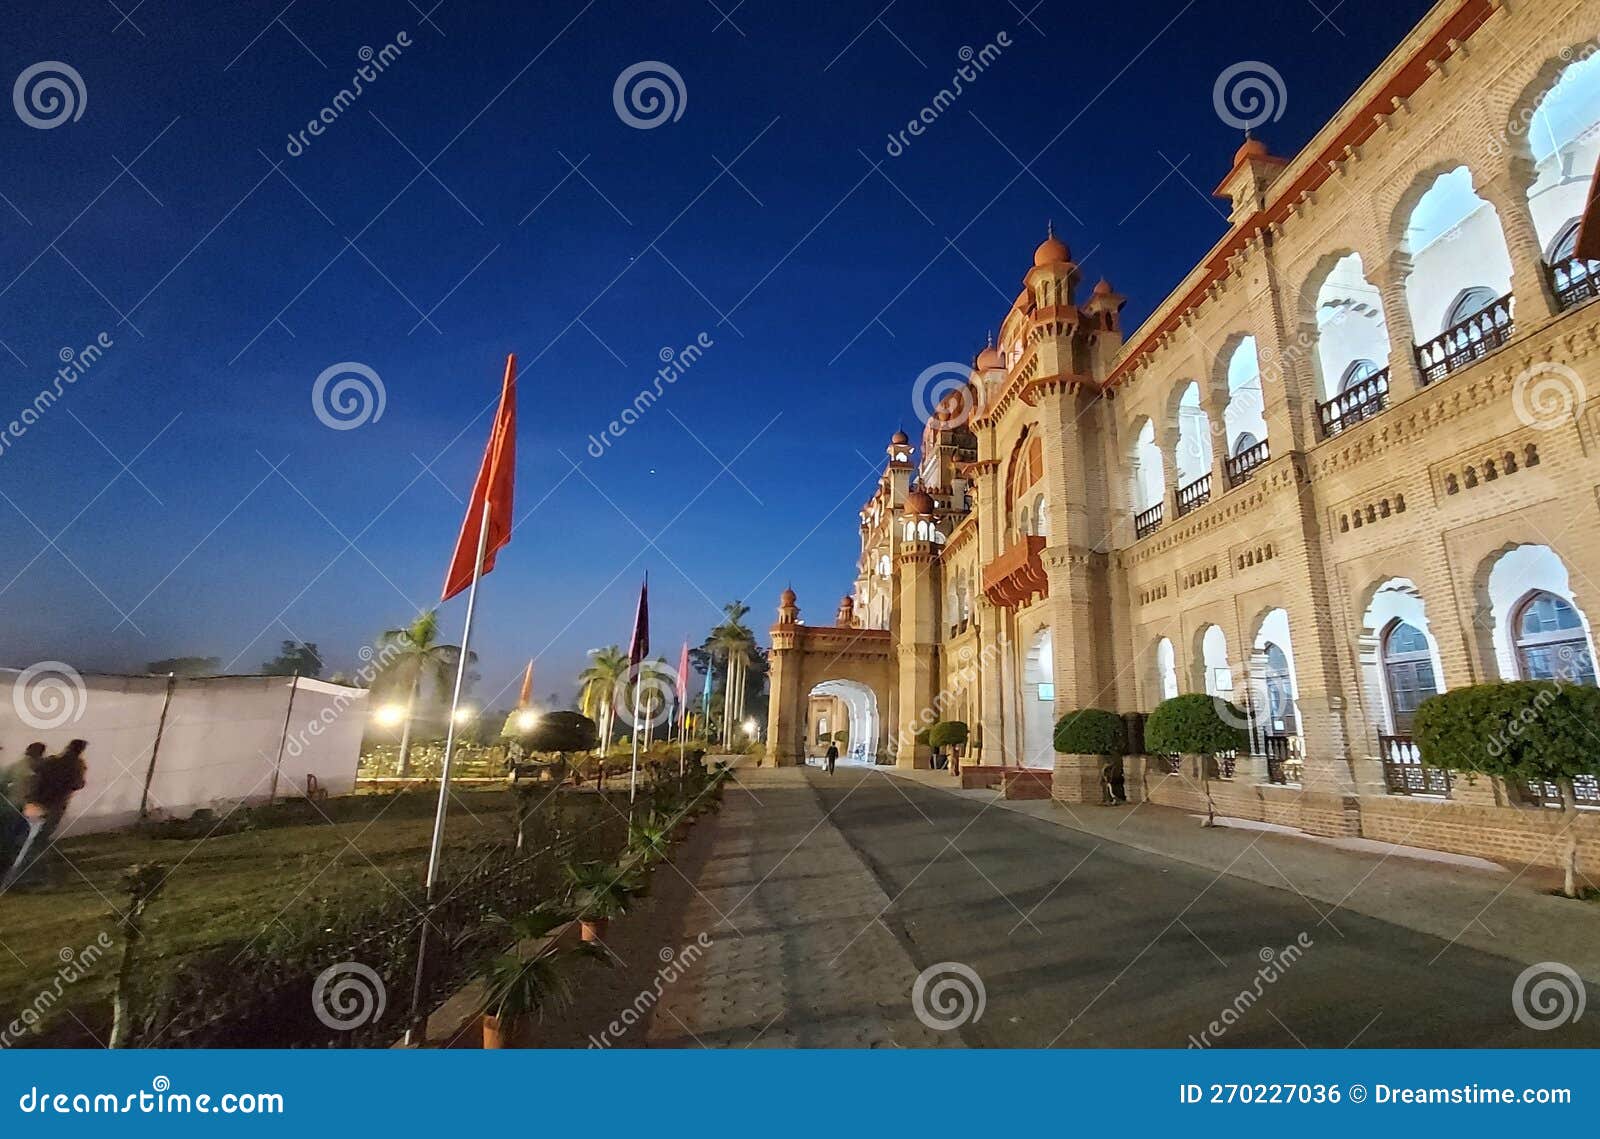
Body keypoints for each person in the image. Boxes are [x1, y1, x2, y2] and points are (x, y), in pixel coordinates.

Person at [6, 740, 87, 889]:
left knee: (24, 839)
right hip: (54, 807)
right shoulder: (77, 766)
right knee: (38, 841)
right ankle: (23, 876)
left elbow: (36, 773)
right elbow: (79, 784)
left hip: (34, 804)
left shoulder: (50, 761)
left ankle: (16, 873)